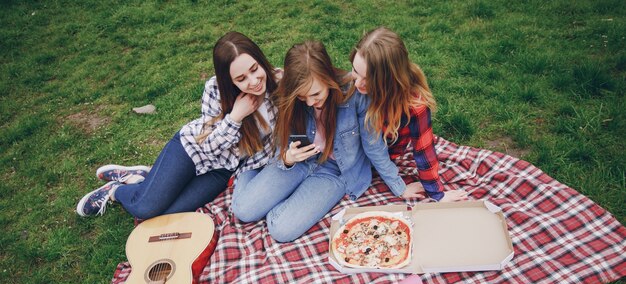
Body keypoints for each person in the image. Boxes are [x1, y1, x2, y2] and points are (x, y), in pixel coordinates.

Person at [231, 41, 422, 243]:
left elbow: (373, 145)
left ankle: (277, 198)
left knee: (281, 230)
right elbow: (283, 135)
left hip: (334, 171)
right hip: (298, 161)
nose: (310, 102)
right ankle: (250, 173)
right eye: (303, 98)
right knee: (243, 211)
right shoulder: (293, 95)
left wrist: (399, 186)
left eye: (315, 94)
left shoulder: (356, 95)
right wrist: (287, 158)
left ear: (328, 79)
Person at [76, 31, 280, 219]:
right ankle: (116, 191)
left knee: (167, 214)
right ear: (229, 80)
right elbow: (209, 146)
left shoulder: (279, 87)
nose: (254, 81)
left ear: (260, 60)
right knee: (144, 209)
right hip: (193, 150)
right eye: (241, 78)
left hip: (222, 170)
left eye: (254, 69)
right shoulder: (216, 90)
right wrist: (235, 117)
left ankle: (142, 179)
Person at [350, 27, 468, 202]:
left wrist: (437, 194)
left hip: (379, 161)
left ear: (389, 79)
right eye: (355, 71)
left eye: (368, 79)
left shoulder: (414, 106)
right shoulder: (354, 90)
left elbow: (423, 150)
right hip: (350, 158)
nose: (358, 83)